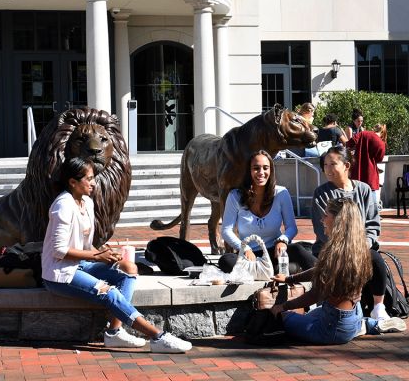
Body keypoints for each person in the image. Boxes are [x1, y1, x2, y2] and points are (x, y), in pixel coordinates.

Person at [41, 157, 191, 353]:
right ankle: (157, 336)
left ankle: (114, 333)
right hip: (60, 273)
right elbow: (58, 250)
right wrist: (96, 257)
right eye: (89, 178)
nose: (94, 183)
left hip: (81, 265)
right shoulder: (63, 205)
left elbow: (85, 245)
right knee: (108, 292)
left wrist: (104, 253)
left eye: (93, 177)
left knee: (129, 268)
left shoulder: (86, 202)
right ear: (72, 182)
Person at [270, 198, 406, 345]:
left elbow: (316, 294)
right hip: (352, 313)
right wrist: (289, 279)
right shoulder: (357, 249)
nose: (322, 219)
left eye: (326, 215)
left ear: (337, 220)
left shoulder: (335, 252)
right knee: (310, 315)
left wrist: (283, 307)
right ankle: (368, 324)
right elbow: (319, 271)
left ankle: (359, 327)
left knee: (286, 318)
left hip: (333, 327)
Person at [311, 146, 389, 320]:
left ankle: (378, 307)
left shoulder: (364, 190)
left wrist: (363, 245)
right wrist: (349, 248)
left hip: (361, 247)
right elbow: (323, 229)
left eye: (333, 164)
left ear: (346, 165)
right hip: (331, 249)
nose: (328, 169)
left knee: (374, 257)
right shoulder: (321, 193)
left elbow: (373, 225)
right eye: (325, 165)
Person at [218, 150, 317, 274]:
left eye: (265, 168)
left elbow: (291, 227)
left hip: (275, 252)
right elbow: (226, 230)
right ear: (248, 171)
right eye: (256, 168)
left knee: (297, 249)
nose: (261, 173)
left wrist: (282, 240)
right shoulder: (235, 196)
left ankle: (328, 276)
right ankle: (277, 270)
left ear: (271, 170)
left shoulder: (281, 193)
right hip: (249, 256)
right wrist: (244, 248)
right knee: (226, 260)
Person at [346, 123, 387, 205]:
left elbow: (349, 143)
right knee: (372, 205)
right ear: (383, 133)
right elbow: (379, 159)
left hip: (357, 172)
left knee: (355, 201)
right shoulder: (380, 143)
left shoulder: (363, 133)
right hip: (370, 174)